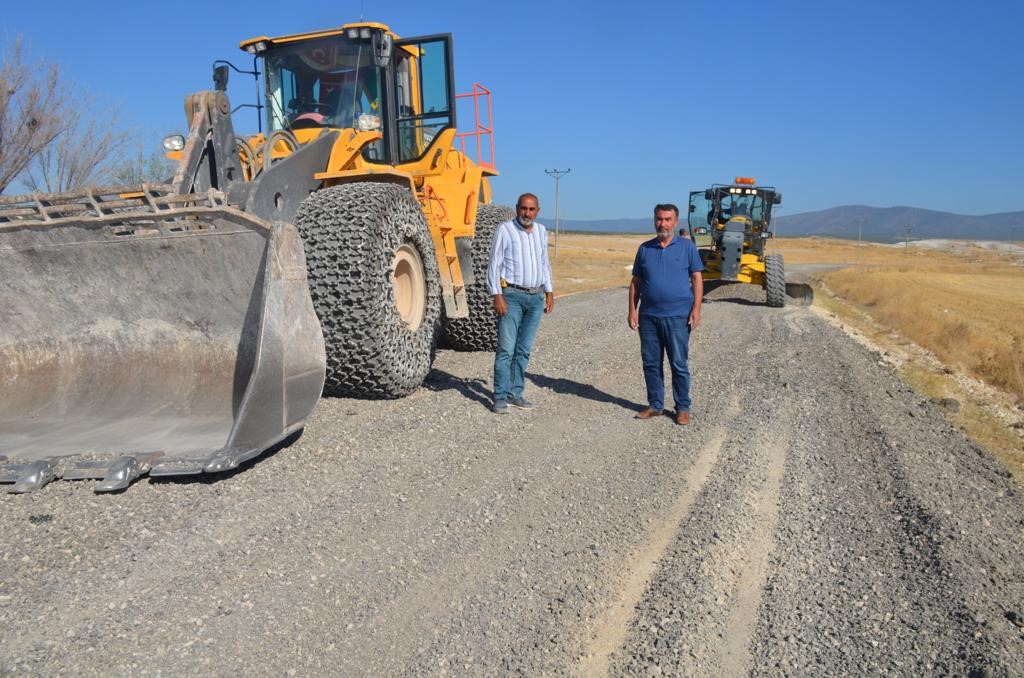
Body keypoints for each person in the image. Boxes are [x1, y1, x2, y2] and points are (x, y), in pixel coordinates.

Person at [628, 204, 704, 425]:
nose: (663, 224)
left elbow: (697, 279)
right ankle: (655, 405)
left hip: (678, 316)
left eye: (668, 219)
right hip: (649, 317)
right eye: (659, 219)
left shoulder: (687, 247)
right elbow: (636, 283)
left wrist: (696, 309)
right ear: (654, 220)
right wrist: (633, 310)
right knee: (651, 363)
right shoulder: (645, 249)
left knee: (678, 363)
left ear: (676, 221)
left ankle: (682, 408)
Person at [486, 193, 555, 414]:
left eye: (531, 209)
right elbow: (494, 264)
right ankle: (499, 397)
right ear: (517, 209)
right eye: (523, 208)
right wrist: (497, 294)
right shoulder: (505, 230)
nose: (527, 213)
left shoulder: (541, 232)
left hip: (535, 298)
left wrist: (549, 291)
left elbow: (544, 264)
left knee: (523, 349)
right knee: (506, 349)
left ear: (538, 211)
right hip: (511, 296)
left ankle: (516, 393)